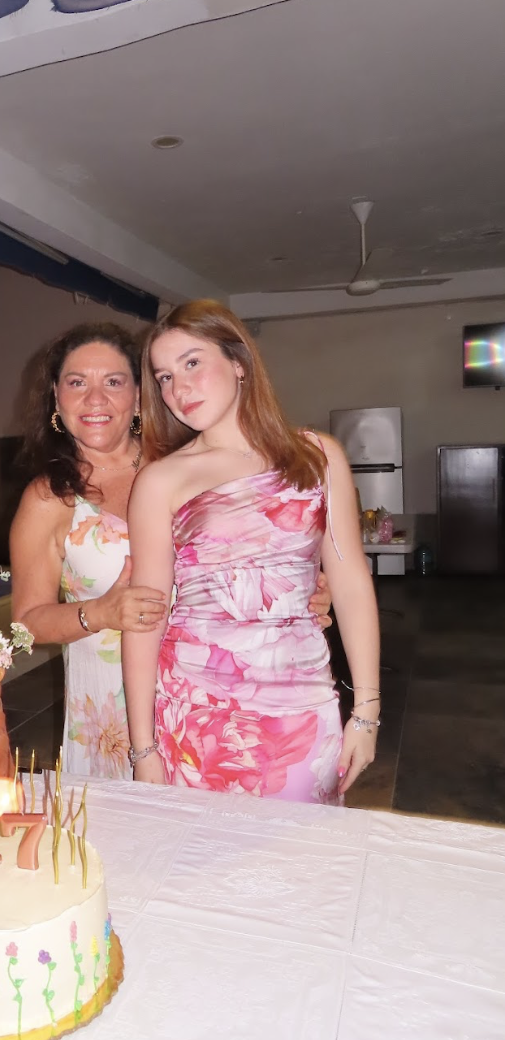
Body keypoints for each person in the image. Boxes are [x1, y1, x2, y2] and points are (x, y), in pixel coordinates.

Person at [10, 321, 334, 780]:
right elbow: (26, 621)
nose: (96, 399)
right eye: (77, 383)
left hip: (213, 695)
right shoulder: (49, 499)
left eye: (114, 382)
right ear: (56, 399)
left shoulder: (187, 468)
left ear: (139, 396)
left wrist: (303, 591)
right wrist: (100, 612)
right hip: (113, 713)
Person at [122, 300, 380, 802]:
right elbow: (147, 615)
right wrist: (143, 748)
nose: (178, 389)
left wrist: (366, 712)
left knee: (303, 845)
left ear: (238, 362)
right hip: (196, 710)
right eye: (165, 377)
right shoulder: (160, 480)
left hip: (302, 702)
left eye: (192, 363)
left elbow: (350, 585)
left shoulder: (318, 456)